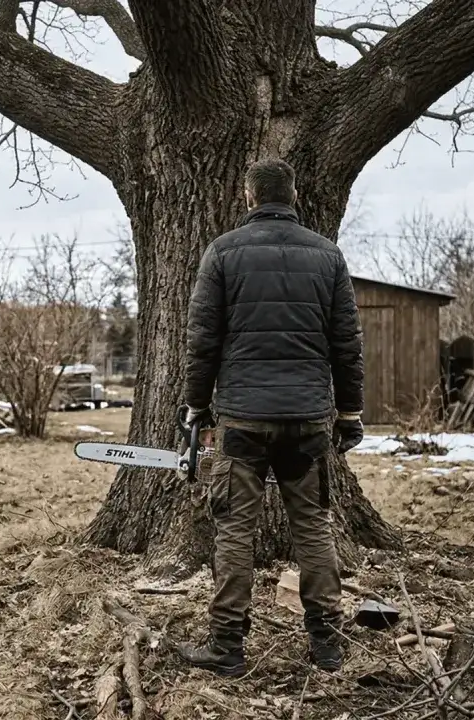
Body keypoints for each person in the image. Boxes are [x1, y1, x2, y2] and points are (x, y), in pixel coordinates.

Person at [175, 158, 365, 676]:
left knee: (235, 528)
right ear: (295, 194)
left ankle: (227, 647)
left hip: (243, 419)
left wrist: (196, 406)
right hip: (307, 419)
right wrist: (350, 413)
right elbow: (347, 345)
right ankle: (327, 643)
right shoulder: (328, 257)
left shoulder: (223, 253)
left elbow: (202, 342)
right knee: (313, 526)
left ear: (248, 195)